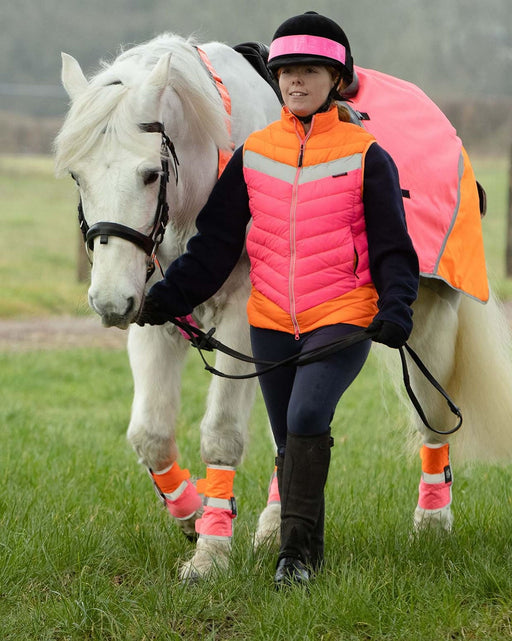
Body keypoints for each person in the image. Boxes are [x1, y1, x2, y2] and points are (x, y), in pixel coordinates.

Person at [137, 11, 419, 587]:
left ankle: (298, 556)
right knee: (289, 437)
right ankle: (292, 541)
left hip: (339, 317)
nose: (294, 82)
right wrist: (167, 297)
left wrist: (396, 306)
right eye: (286, 71)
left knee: (307, 415)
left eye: (309, 71)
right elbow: (215, 248)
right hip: (269, 321)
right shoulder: (254, 153)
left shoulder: (368, 156)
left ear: (336, 80)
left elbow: (394, 247)